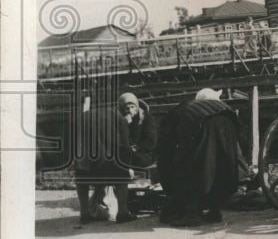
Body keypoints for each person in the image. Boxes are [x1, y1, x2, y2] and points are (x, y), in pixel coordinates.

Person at [156, 88, 247, 227]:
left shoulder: (175, 115)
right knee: (219, 168)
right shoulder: (218, 106)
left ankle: (194, 213)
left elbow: (166, 149)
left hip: (205, 125)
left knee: (197, 167)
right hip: (228, 122)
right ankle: (215, 211)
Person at [74, 102, 136, 224]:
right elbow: (125, 144)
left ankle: (84, 213)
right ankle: (123, 212)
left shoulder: (82, 116)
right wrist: (128, 165)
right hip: (109, 164)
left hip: (86, 166)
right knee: (122, 175)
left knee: (81, 178)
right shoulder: (116, 115)